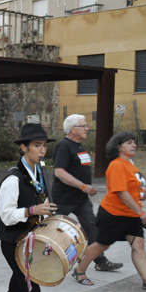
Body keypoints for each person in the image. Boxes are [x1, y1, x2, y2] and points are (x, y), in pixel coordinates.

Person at [0, 123, 65, 292]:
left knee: (17, 285)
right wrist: (33, 209)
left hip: (29, 239)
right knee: (31, 289)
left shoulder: (39, 173)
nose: (42, 150)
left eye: (44, 146)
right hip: (12, 241)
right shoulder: (13, 179)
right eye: (36, 146)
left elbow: (39, 204)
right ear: (23, 148)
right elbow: (6, 214)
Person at [71, 133, 146, 291]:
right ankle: (79, 270)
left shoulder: (130, 164)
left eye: (134, 142)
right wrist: (141, 213)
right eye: (129, 142)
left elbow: (132, 188)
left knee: (139, 244)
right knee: (101, 246)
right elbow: (121, 192)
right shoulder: (116, 165)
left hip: (130, 215)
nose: (134, 145)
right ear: (119, 147)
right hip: (113, 215)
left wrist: (142, 193)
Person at [53, 114, 122, 280]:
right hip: (64, 198)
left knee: (93, 229)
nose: (87, 129)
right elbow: (59, 172)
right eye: (83, 126)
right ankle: (41, 259)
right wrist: (83, 186)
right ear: (73, 129)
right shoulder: (64, 146)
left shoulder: (79, 146)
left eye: (86, 126)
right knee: (53, 231)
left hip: (81, 200)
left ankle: (100, 261)